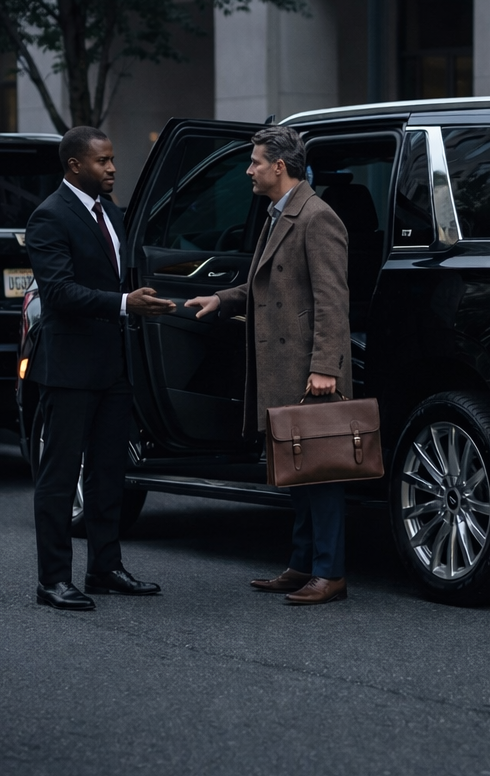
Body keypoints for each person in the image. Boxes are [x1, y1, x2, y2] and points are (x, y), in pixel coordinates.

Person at [185, 127, 353, 605]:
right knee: (296, 470)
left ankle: (330, 573)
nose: (249, 171)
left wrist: (325, 366)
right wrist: (220, 297)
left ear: (279, 167)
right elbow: (263, 286)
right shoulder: (279, 214)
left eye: (255, 162)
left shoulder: (317, 218)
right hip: (283, 367)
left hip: (308, 370)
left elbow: (332, 300)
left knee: (320, 472)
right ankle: (303, 565)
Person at [24, 125, 175, 611]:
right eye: (102, 162)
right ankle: (53, 581)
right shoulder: (49, 216)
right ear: (74, 166)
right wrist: (125, 304)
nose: (112, 168)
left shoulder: (111, 212)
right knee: (60, 477)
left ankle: (105, 569)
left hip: (115, 367)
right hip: (68, 369)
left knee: (110, 474)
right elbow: (59, 293)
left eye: (112, 160)